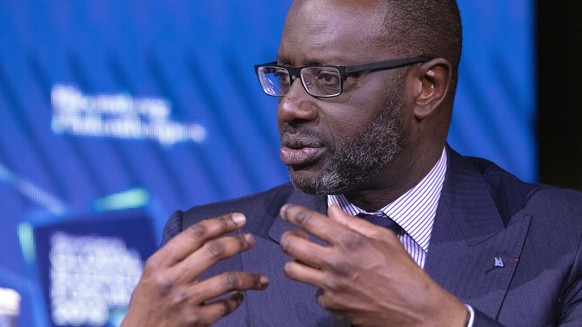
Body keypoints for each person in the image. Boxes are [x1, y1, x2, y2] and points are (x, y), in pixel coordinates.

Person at [122, 0, 582, 326]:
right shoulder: (211, 253)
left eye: (327, 78)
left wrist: (437, 319)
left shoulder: (564, 239)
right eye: (285, 77)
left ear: (427, 86)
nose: (290, 107)